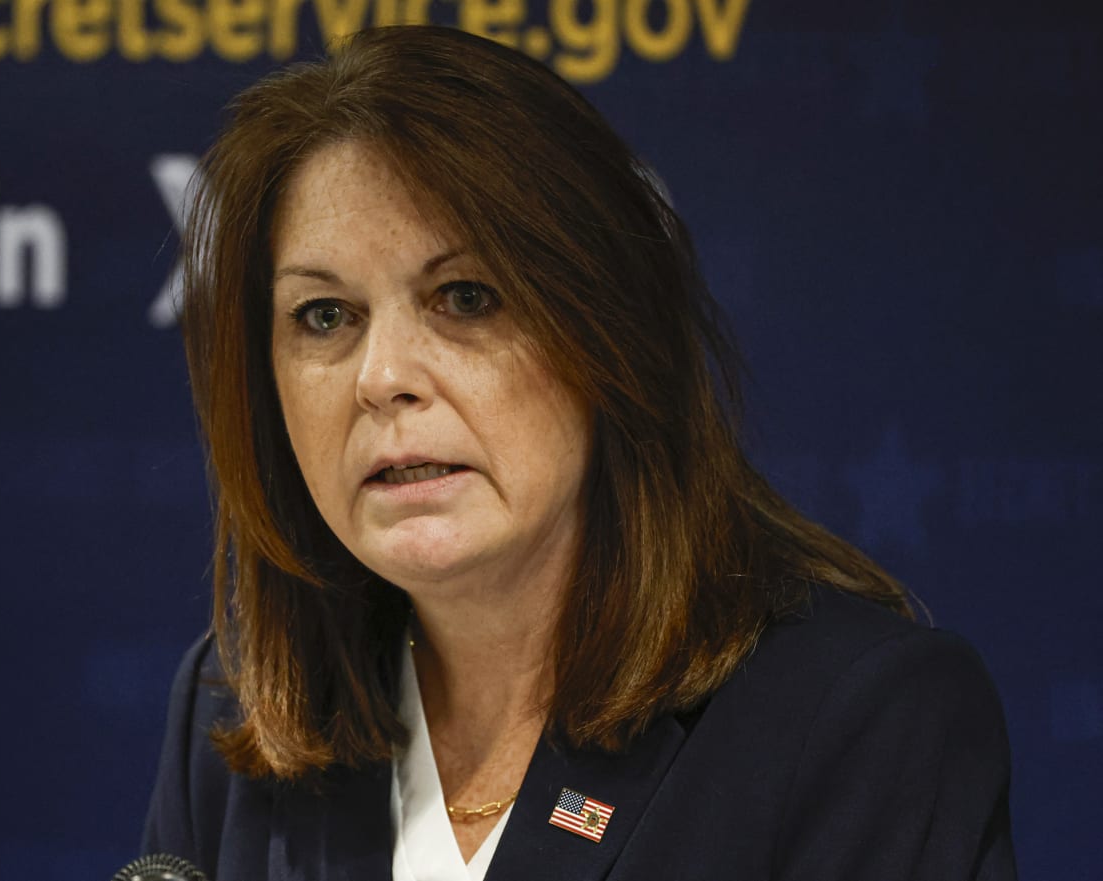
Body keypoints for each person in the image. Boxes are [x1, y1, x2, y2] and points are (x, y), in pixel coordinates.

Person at [141, 25, 1015, 881]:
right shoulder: (243, 708)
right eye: (324, 316)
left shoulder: (857, 720)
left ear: (605, 335)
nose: (382, 377)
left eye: (465, 296)